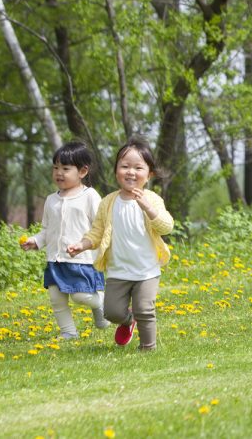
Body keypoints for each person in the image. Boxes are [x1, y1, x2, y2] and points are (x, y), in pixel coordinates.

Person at [67, 139, 173, 351]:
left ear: (149, 174)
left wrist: (148, 209)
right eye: (125, 166)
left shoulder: (152, 199)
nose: (131, 172)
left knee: (145, 309)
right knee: (111, 312)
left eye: (138, 167)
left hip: (146, 271)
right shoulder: (109, 202)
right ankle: (128, 320)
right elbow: (97, 232)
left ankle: (147, 347)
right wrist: (83, 244)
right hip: (118, 271)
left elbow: (166, 226)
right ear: (116, 170)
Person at [20, 141, 108, 340]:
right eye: (56, 168)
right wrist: (35, 241)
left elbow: (101, 226)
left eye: (66, 168)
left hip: (82, 260)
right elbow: (47, 230)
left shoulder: (90, 196)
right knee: (56, 299)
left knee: (81, 296)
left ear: (83, 171)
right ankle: (68, 332)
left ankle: (101, 303)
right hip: (55, 260)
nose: (59, 173)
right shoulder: (51, 199)